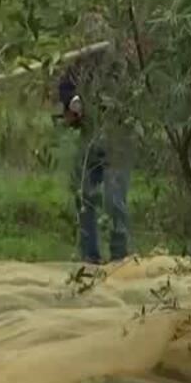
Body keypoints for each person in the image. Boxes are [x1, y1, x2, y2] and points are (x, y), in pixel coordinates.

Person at [58, 42, 131, 265]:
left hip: (118, 138)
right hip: (89, 137)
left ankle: (119, 256)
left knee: (115, 199)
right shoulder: (82, 63)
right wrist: (73, 101)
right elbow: (66, 87)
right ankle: (89, 255)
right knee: (84, 196)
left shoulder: (125, 64)